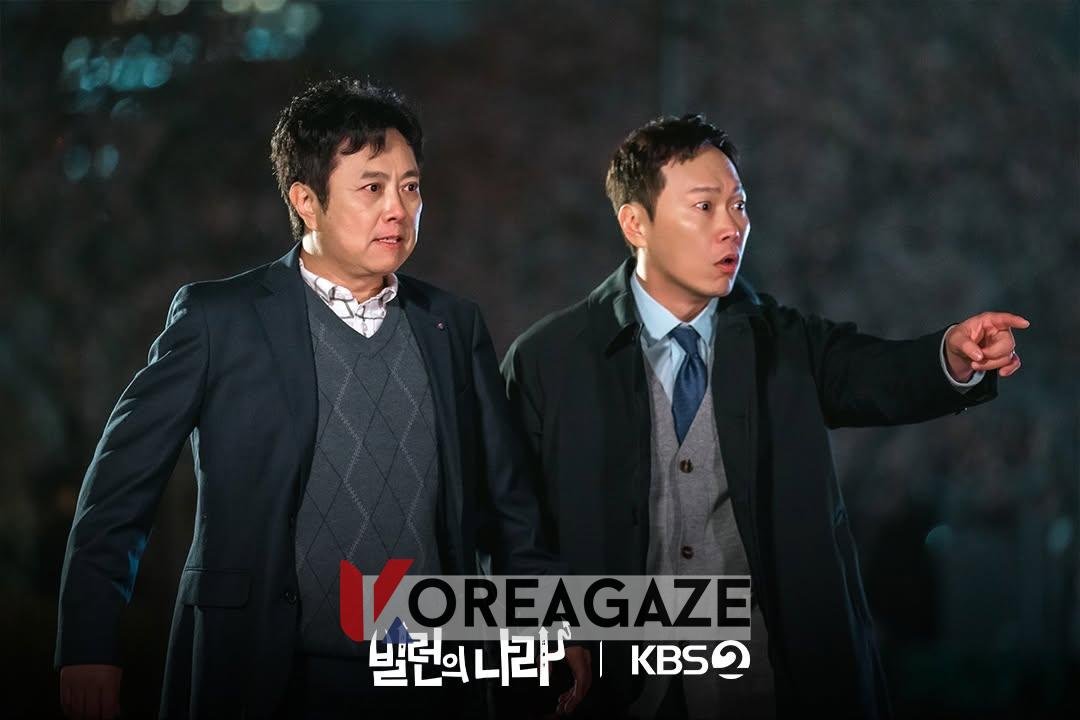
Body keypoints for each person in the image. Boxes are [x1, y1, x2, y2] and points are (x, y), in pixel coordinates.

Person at [55, 77, 589, 720]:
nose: (398, 209)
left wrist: (551, 620)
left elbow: (509, 508)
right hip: (262, 673)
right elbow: (119, 493)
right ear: (306, 200)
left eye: (410, 187)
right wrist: (87, 643)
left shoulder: (452, 325)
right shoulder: (219, 321)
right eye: (372, 187)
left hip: (428, 677)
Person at [501, 114, 1027, 719]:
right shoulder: (548, 361)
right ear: (635, 223)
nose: (733, 226)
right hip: (612, 692)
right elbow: (511, 527)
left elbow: (876, 373)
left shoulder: (783, 342)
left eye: (739, 204)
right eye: (705, 207)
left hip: (768, 690)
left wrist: (953, 357)